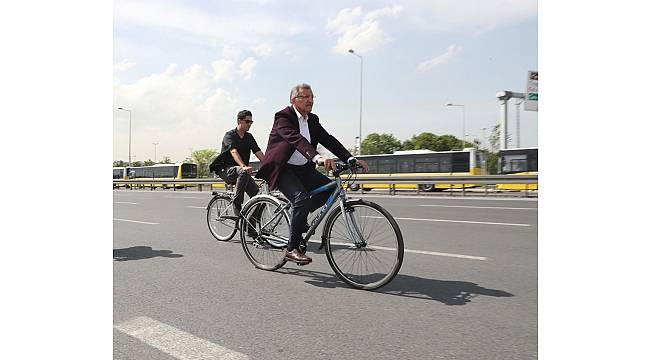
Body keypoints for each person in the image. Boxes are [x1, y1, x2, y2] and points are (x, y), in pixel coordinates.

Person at [256, 83, 368, 265]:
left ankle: (298, 220)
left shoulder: (312, 120)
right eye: (305, 97)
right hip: (283, 168)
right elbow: (296, 140)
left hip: (303, 169)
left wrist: (350, 159)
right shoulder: (283, 117)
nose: (310, 100)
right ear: (294, 100)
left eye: (312, 97)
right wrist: (317, 157)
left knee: (329, 190)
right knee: (301, 199)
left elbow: (328, 140)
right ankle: (291, 249)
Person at [209, 110, 265, 217]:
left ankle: (249, 226)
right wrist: (243, 166)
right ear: (239, 121)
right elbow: (233, 151)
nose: (249, 124)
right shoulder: (229, 135)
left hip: (242, 172)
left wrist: (270, 165)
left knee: (260, 198)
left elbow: (258, 152)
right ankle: (237, 202)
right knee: (242, 172)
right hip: (226, 170)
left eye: (251, 122)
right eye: (247, 121)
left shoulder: (249, 137)